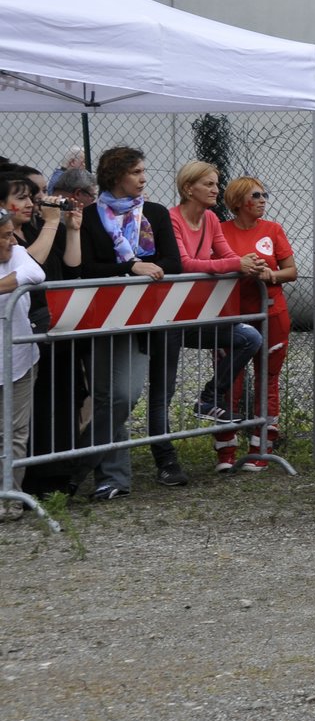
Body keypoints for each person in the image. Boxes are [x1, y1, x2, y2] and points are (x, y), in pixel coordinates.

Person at [147, 162, 266, 484]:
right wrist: (235, 264)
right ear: (189, 189)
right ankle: (165, 460)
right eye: (209, 184)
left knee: (249, 338)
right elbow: (184, 263)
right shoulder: (171, 219)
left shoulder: (212, 218)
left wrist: (248, 264)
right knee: (164, 391)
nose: (216, 189)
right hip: (169, 316)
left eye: (216, 184)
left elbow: (223, 254)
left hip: (198, 315)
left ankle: (210, 396)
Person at [77, 146, 182, 502]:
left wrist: (143, 267)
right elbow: (86, 268)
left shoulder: (154, 213)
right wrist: (129, 267)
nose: (144, 177)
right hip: (103, 320)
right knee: (112, 396)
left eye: (143, 170)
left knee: (125, 396)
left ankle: (72, 469)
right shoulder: (90, 217)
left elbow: (173, 261)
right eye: (136, 171)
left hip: (148, 318)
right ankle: (113, 477)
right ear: (116, 176)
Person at [5, 166, 88, 498]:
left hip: (56, 324)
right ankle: (31, 479)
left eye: (38, 194)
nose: (38, 201)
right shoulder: (11, 238)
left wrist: (71, 230)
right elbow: (31, 269)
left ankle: (58, 472)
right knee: (29, 410)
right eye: (26, 195)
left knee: (64, 397)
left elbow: (71, 267)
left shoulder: (41, 227)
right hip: (28, 327)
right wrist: (53, 222)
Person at [219, 176, 296, 467]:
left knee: (268, 378)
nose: (263, 200)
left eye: (265, 194)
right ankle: (225, 451)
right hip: (233, 315)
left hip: (272, 314)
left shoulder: (273, 230)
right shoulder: (221, 231)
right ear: (239, 202)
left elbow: (291, 270)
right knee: (230, 381)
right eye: (256, 195)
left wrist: (270, 275)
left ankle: (261, 449)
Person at [0, 206, 47, 518]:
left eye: (10, 233)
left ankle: (10, 499)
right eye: (4, 236)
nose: (11, 240)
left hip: (17, 360)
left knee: (15, 432)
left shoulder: (17, 253)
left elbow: (35, 273)